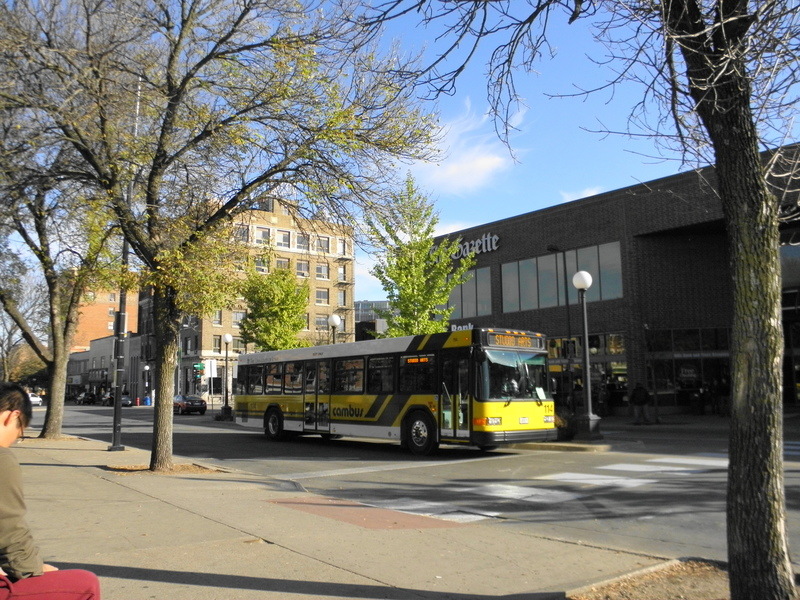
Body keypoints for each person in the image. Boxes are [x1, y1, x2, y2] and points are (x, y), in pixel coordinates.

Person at [0, 382, 101, 600]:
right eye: (20, 431)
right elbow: (8, 528)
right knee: (86, 584)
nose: (15, 439)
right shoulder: (2, 458)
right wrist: (32, 567)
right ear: (12, 416)